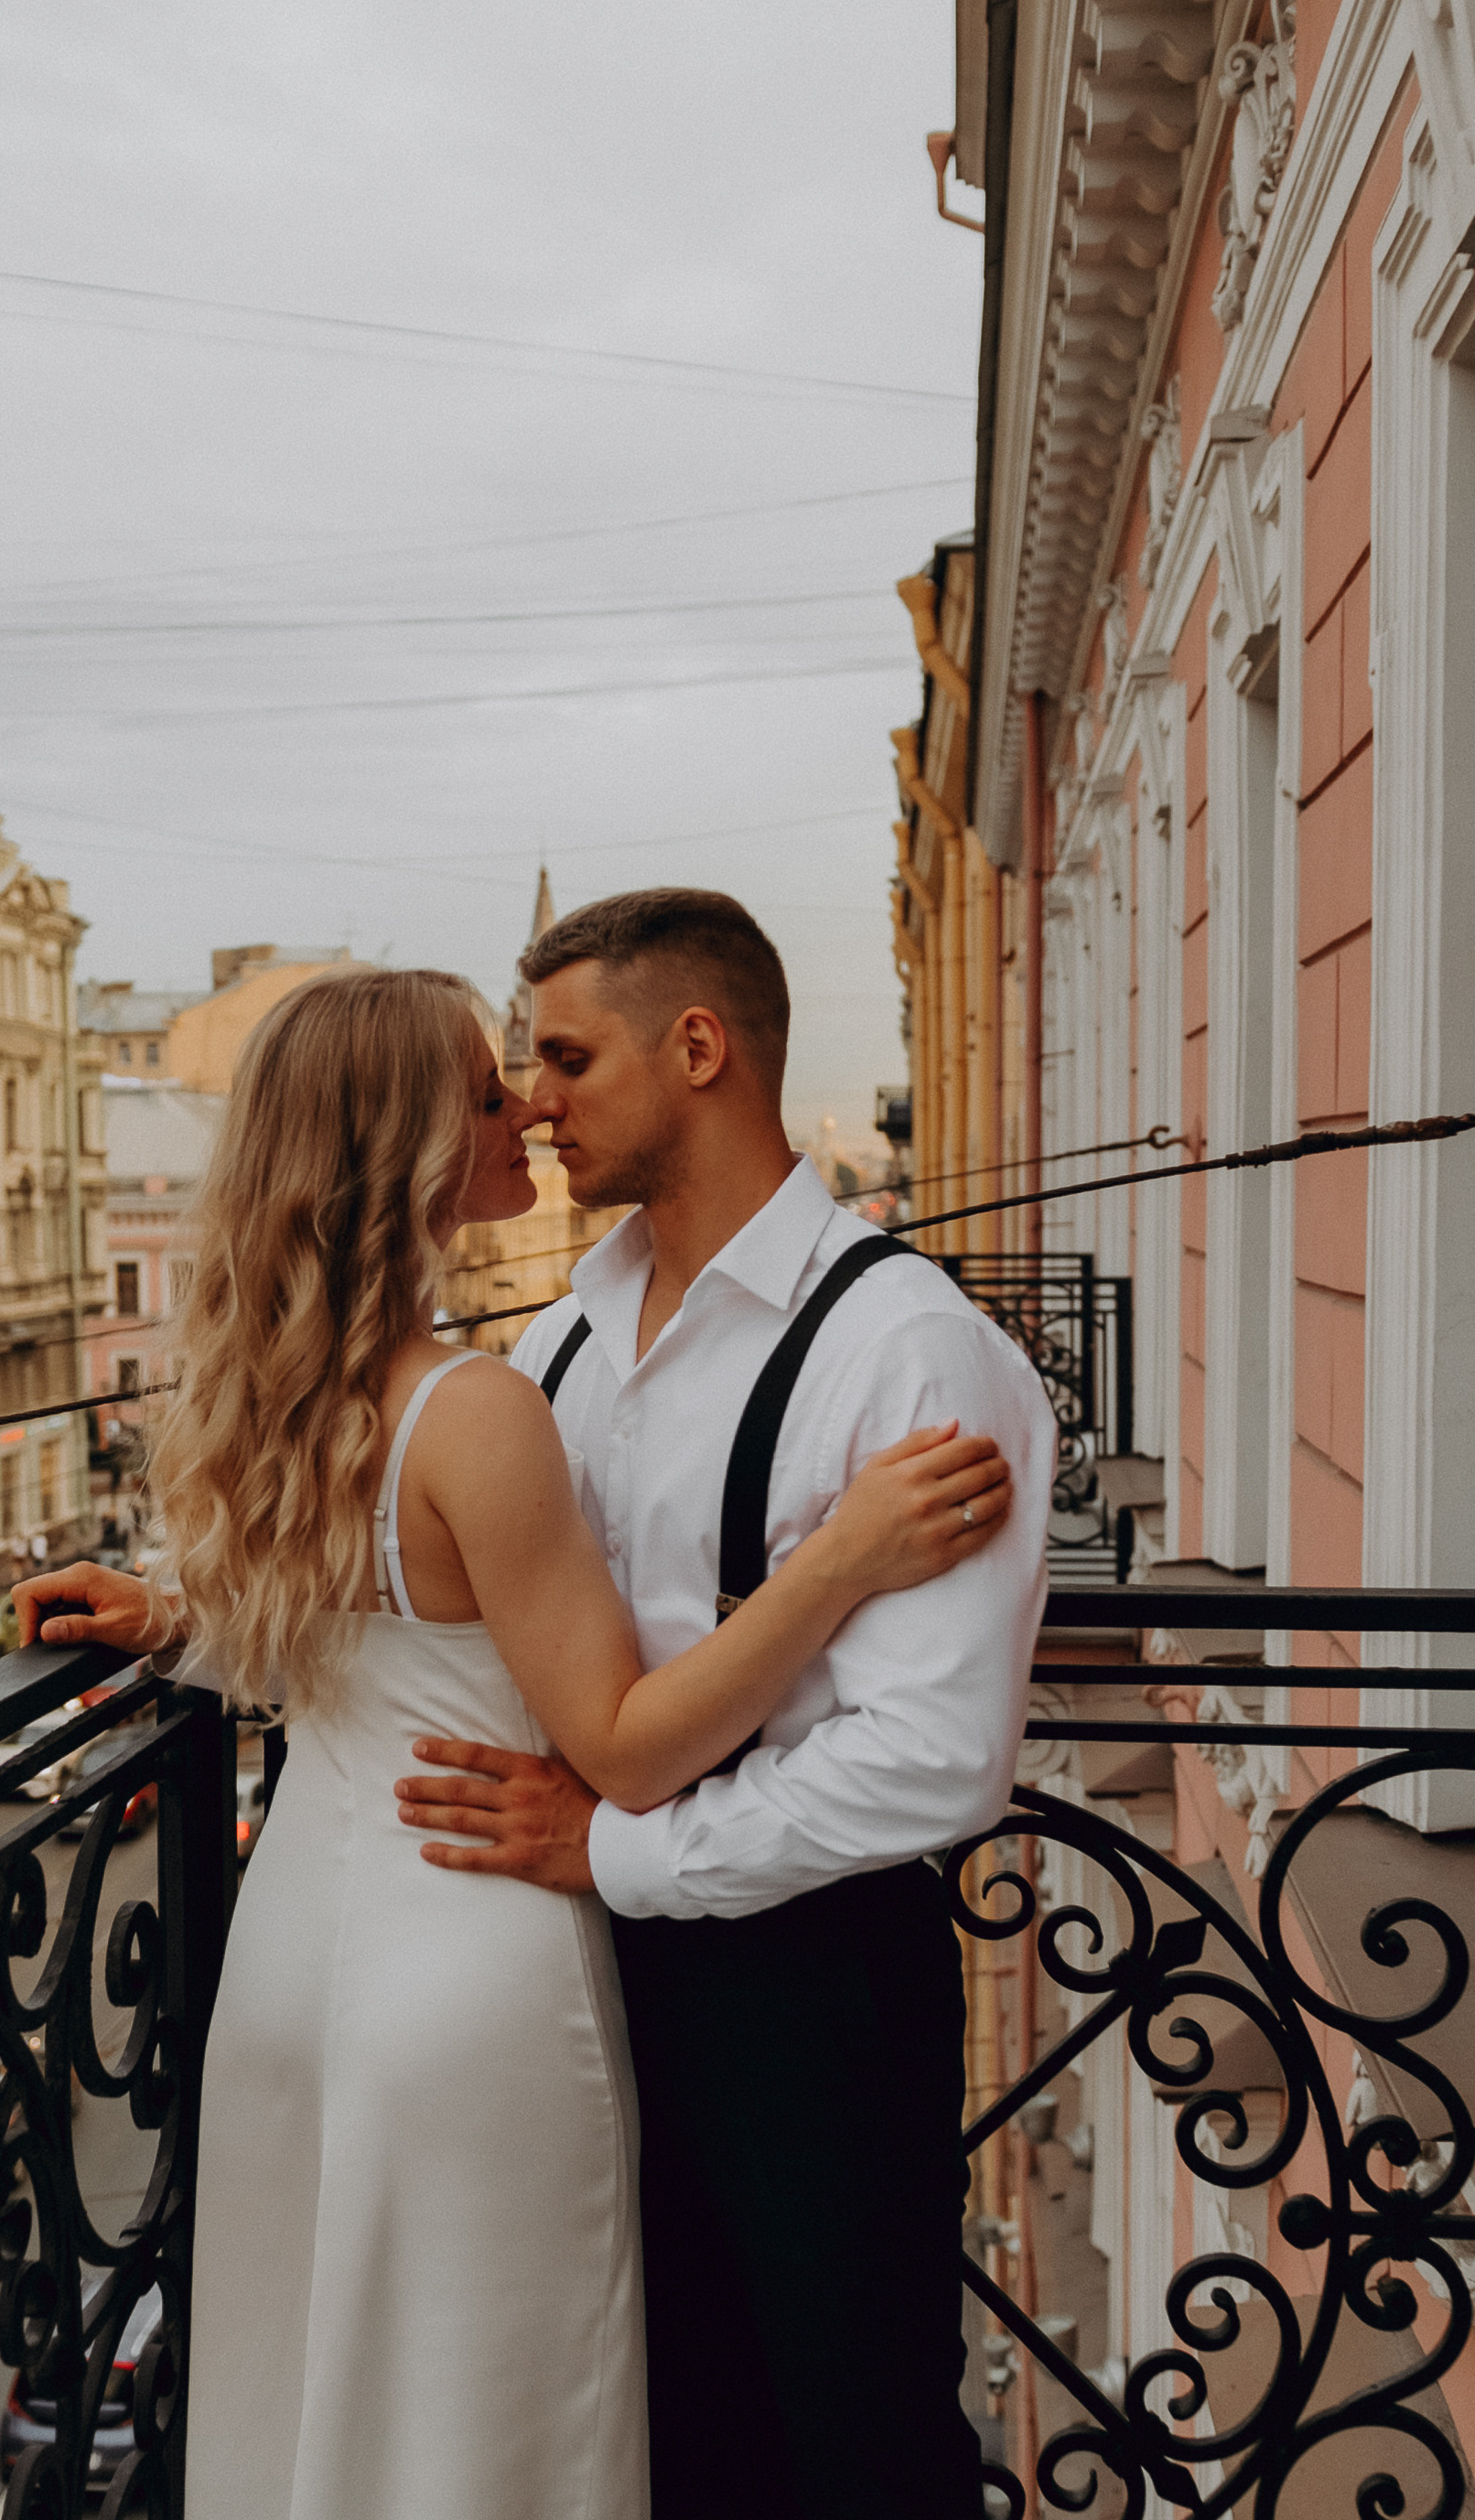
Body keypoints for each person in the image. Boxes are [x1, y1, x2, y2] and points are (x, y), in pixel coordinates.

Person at [12, 964, 1016, 2520]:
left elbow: (356, 1616)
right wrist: (840, 1559)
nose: (525, 1107)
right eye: (493, 1088)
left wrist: (172, 1622)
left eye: (543, 1067)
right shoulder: (490, 1391)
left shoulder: (293, 1386)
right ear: (410, 1144)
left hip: (292, 1961)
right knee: (492, 2428)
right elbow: (617, 1743)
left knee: (320, 2400)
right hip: (473, 1959)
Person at [393, 889, 1057, 2519]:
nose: (531, 1098)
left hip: (807, 1990)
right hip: (577, 1969)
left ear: (698, 1048)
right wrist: (186, 1615)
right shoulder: (567, 1332)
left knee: (853, 2435)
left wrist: (613, 1854)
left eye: (562, 1055)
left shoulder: (905, 1349)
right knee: (656, 2424)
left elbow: (931, 1763)